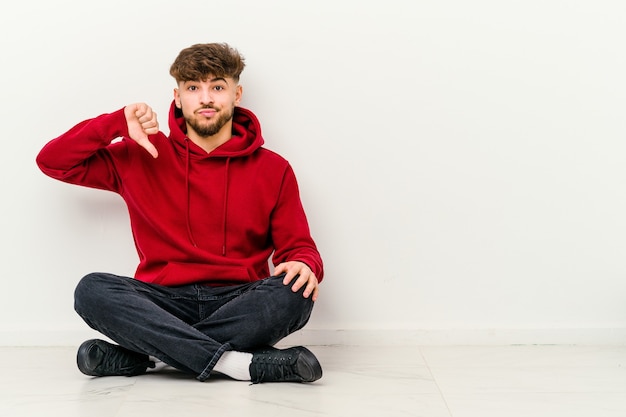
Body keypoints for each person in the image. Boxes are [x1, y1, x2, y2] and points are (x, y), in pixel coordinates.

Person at [36, 42, 324, 383]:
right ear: (177, 96)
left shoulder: (274, 168)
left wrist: (305, 263)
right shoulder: (142, 152)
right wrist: (114, 124)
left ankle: (152, 356)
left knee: (295, 293)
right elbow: (52, 161)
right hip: (162, 301)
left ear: (236, 94)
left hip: (238, 299)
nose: (205, 98)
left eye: (217, 86)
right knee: (92, 290)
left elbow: (297, 245)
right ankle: (238, 364)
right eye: (193, 88)